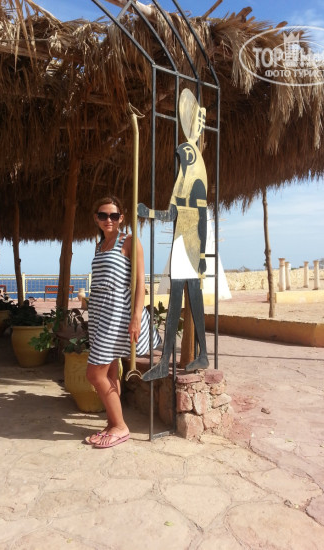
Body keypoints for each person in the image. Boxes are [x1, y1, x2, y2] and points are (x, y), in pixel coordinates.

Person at [138, 88, 209, 381]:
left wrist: (202, 255)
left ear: (189, 157)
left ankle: (200, 354)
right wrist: (148, 213)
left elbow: (202, 220)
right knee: (176, 305)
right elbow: (170, 215)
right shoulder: (181, 183)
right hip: (180, 246)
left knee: (193, 299)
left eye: (182, 158)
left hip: (190, 248)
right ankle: (166, 360)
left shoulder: (197, 182)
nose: (179, 163)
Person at [86, 196, 161, 448]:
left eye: (114, 215)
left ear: (122, 218)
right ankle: (112, 424)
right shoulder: (100, 245)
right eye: (103, 215)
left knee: (94, 373)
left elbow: (140, 284)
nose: (108, 220)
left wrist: (137, 317)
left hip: (117, 313)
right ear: (96, 218)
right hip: (99, 312)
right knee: (109, 371)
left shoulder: (129, 241)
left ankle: (120, 426)